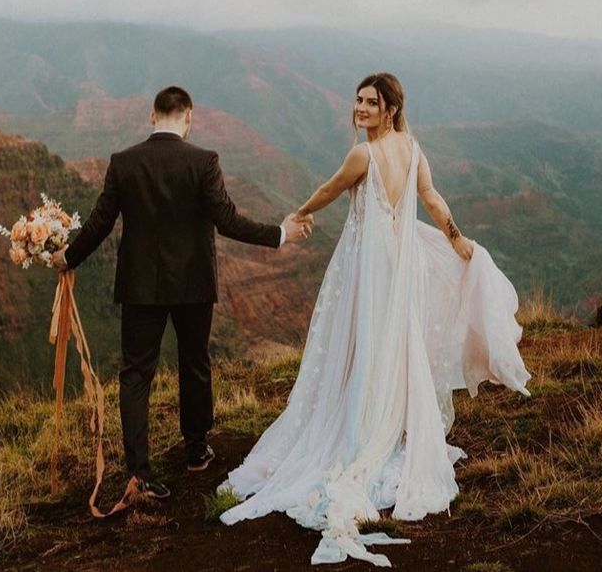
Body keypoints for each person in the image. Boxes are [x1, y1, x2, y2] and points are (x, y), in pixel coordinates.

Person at [217, 73, 532, 567]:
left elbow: (328, 189)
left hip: (368, 262)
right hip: (399, 262)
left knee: (362, 342)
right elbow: (431, 198)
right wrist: (455, 238)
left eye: (371, 102)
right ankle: (386, 420)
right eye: (358, 100)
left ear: (390, 110)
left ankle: (361, 427)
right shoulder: (411, 146)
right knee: (390, 342)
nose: (360, 108)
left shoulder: (364, 155)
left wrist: (296, 216)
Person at [53, 85, 314, 500]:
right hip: (193, 284)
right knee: (195, 363)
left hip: (140, 286)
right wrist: (280, 234)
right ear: (188, 118)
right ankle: (196, 448)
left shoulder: (123, 163)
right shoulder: (204, 161)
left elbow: (100, 224)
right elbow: (228, 220)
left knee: (136, 375)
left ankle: (138, 472)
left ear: (152, 117)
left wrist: (67, 256)